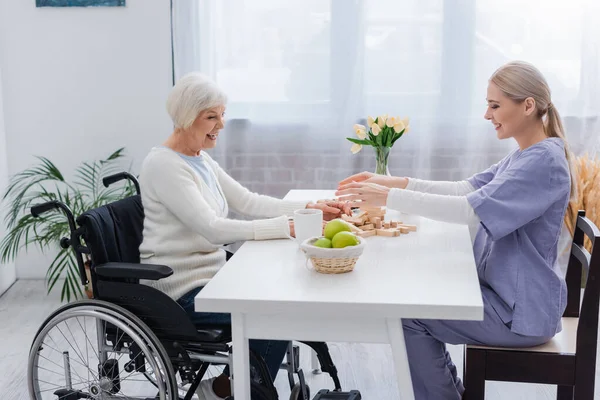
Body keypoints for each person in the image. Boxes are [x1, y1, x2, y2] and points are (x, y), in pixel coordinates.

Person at [336, 60, 575, 399]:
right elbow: (466, 189)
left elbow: (469, 211)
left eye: (495, 105)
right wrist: (393, 181)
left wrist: (389, 195)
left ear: (527, 106)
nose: (487, 114)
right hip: (511, 301)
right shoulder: (526, 155)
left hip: (520, 315)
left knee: (407, 317)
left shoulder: (542, 163)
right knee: (414, 304)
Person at [138, 72, 350, 400]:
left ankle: (224, 389)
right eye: (211, 116)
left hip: (215, 277)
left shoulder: (198, 159)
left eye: (222, 114)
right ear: (185, 117)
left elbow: (247, 201)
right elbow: (212, 227)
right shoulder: (164, 166)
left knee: (279, 303)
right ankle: (239, 391)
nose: (220, 125)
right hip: (179, 291)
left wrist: (310, 207)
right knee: (272, 313)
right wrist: (285, 227)